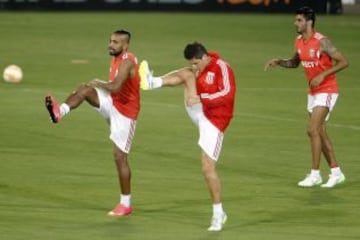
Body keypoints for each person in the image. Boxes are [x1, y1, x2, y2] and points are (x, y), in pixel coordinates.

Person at [139, 42, 236, 231]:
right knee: (187, 74)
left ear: (203, 57)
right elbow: (191, 73)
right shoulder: (199, 66)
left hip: (215, 121)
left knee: (207, 168)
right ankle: (152, 82)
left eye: (196, 63)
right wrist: (199, 97)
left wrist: (201, 98)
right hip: (200, 110)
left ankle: (219, 214)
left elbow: (228, 94)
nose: (195, 66)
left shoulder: (223, 68)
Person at [45, 29, 140, 216]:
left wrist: (99, 82)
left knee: (120, 157)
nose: (111, 45)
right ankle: (59, 113)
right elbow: (114, 90)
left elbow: (115, 86)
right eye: (110, 41)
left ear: (125, 45)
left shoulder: (127, 61)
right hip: (113, 103)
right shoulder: (115, 57)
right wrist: (97, 86)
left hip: (125, 114)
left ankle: (125, 204)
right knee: (84, 89)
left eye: (115, 42)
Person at [264, 6, 349, 188]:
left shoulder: (322, 42)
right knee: (320, 132)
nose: (295, 23)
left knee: (312, 130)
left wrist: (323, 75)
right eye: (296, 20)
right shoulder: (299, 41)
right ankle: (336, 172)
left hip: (328, 90)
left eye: (299, 20)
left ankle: (315, 174)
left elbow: (343, 62)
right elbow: (295, 63)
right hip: (313, 92)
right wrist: (279, 61)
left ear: (309, 22)